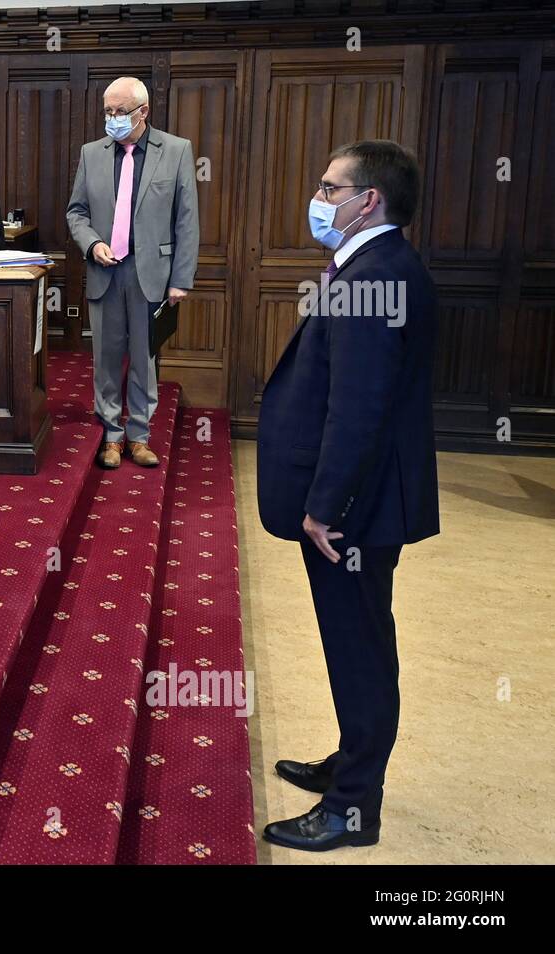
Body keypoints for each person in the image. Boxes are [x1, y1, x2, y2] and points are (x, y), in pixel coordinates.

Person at [257, 139, 439, 851]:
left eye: (331, 188)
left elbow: (357, 410)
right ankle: (349, 763)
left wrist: (324, 507)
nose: (319, 198)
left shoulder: (376, 275)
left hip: (353, 513)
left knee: (359, 649)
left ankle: (353, 808)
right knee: (356, 642)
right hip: (362, 503)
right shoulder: (380, 265)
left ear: (370, 200)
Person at [66, 76, 198, 469]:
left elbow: (186, 219)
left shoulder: (175, 150)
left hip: (151, 273)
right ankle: (111, 434)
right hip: (105, 271)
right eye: (107, 111)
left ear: (143, 112)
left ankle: (139, 435)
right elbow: (77, 211)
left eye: (120, 112)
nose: (112, 118)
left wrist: (180, 279)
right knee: (105, 358)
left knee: (144, 358)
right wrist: (91, 243)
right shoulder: (92, 153)